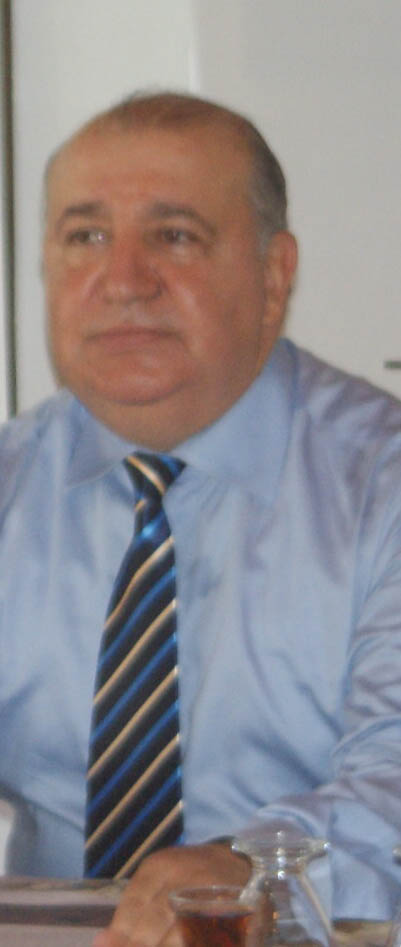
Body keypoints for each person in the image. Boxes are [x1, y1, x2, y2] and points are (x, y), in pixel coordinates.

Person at [1, 90, 401, 943]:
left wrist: (251, 873)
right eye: (85, 237)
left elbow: (394, 782)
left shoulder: (382, 484)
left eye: (175, 235)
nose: (123, 280)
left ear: (274, 276)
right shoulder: (9, 484)